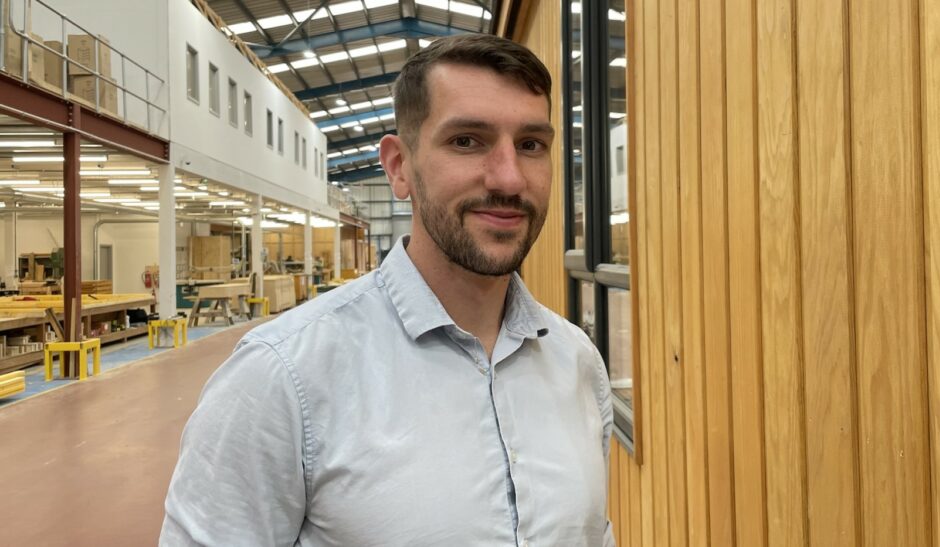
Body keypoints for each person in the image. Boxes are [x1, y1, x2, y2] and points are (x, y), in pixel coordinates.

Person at [160, 33, 614, 547]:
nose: (509, 178)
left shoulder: (576, 364)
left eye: (531, 145)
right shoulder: (283, 379)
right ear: (399, 167)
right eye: (467, 140)